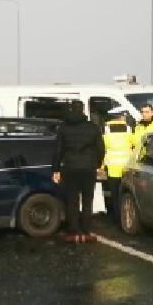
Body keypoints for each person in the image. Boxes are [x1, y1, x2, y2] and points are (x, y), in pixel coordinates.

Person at [52, 101, 105, 243]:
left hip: (70, 168)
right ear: (83, 110)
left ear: (70, 110)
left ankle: (73, 229)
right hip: (88, 168)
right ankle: (86, 228)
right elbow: (101, 149)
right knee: (88, 200)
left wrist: (56, 169)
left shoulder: (63, 128)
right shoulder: (93, 128)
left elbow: (58, 151)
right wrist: (97, 163)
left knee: (72, 200)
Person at [101, 108, 135, 217]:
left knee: (114, 194)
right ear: (121, 117)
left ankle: (116, 217)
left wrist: (101, 165)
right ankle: (126, 216)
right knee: (127, 193)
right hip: (127, 166)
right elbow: (135, 144)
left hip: (112, 166)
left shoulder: (106, 129)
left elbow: (102, 148)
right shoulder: (128, 129)